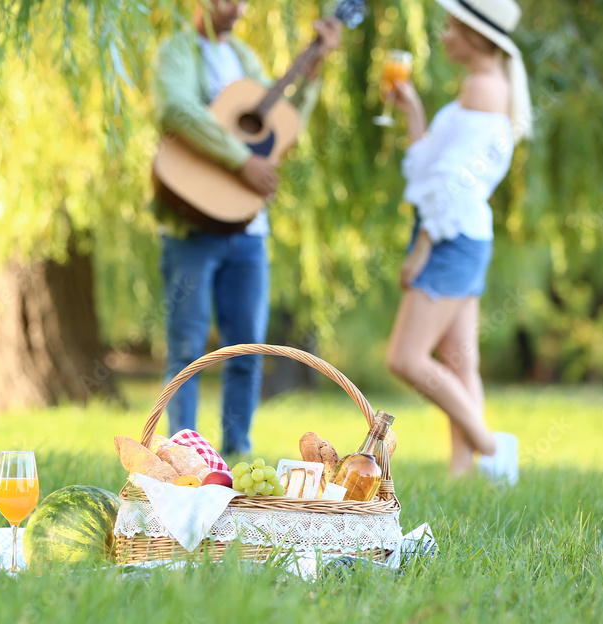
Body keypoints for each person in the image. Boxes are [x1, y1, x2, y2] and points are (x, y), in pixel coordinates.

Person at [153, 2, 342, 457]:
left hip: (249, 229)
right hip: (191, 226)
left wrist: (312, 74)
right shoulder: (176, 51)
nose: (238, 7)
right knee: (187, 350)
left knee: (246, 350)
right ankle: (181, 458)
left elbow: (282, 123)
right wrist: (241, 162)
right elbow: (176, 111)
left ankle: (236, 453)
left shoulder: (246, 58)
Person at [385, 0, 532, 484]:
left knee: (405, 359)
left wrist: (424, 244)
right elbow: (435, 168)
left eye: (451, 26)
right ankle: (462, 474)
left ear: (475, 34)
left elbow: (456, 180)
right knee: (459, 360)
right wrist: (414, 115)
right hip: (462, 234)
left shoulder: (482, 88)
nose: (444, 35)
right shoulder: (485, 88)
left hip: (448, 237)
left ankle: (491, 448)